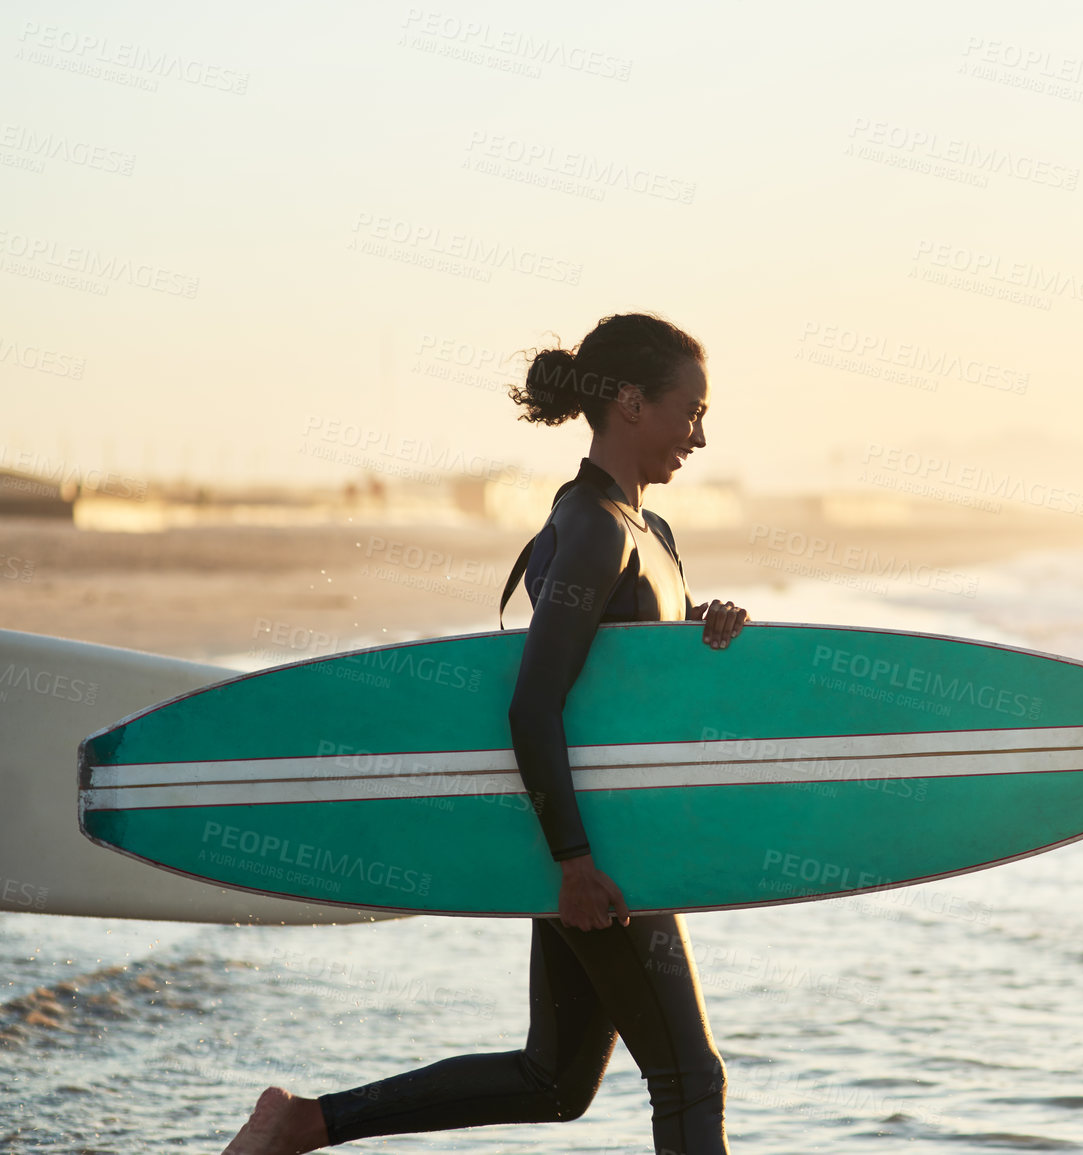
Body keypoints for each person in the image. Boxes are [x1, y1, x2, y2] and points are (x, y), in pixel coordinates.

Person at [222, 313, 747, 1155]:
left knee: (555, 1080)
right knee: (690, 1077)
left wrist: (704, 630)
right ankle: (302, 1123)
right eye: (690, 411)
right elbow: (532, 703)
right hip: (596, 851)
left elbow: (632, 693)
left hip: (614, 840)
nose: (701, 434)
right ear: (629, 402)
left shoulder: (651, 532)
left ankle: (304, 1121)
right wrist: (572, 864)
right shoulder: (589, 528)